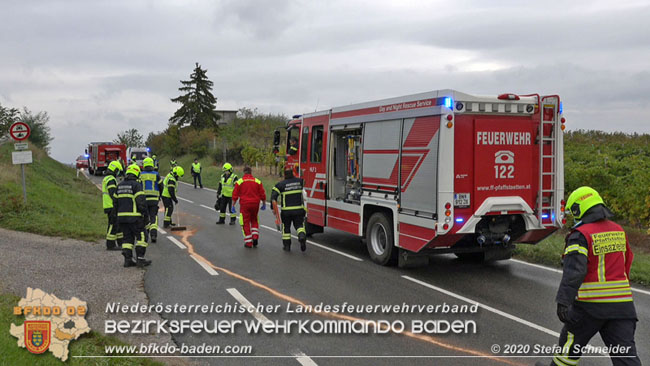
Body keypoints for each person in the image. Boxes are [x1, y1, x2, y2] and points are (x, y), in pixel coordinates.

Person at [541, 187, 639, 366]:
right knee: (626, 358)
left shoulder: (580, 235)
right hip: (622, 308)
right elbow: (627, 263)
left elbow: (575, 272)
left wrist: (563, 301)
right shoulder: (618, 230)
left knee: (567, 352)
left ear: (579, 209)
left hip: (588, 309)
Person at [115, 165, 150, 267]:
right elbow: (141, 202)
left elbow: (115, 202)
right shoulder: (136, 185)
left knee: (127, 239)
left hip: (122, 218)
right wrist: (145, 215)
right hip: (134, 217)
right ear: (136, 173)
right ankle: (140, 259)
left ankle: (128, 260)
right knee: (142, 237)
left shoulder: (119, 185)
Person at [271, 169, 307, 252]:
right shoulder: (300, 181)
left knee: (286, 228)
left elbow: (273, 197)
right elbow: (304, 183)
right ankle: (301, 236)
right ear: (293, 174)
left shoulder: (280, 185)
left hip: (286, 211)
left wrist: (273, 209)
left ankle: (287, 246)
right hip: (298, 210)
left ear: (285, 175)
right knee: (299, 226)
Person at [232, 166, 266, 248]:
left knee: (245, 222)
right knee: (254, 220)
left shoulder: (240, 181)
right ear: (251, 172)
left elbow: (235, 194)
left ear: (244, 172)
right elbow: (262, 193)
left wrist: (233, 205)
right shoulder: (257, 181)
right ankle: (255, 237)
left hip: (245, 204)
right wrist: (264, 203)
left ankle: (249, 242)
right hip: (255, 204)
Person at [140, 157, 162, 243]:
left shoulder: (141, 174)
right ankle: (153, 235)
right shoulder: (156, 174)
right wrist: (160, 195)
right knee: (153, 216)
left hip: (144, 199)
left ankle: (145, 235)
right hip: (154, 199)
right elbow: (161, 186)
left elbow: (137, 186)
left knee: (145, 217)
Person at [102, 160, 123, 251]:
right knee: (113, 224)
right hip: (111, 206)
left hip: (108, 205)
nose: (118, 173)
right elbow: (113, 193)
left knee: (117, 224)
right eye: (118, 170)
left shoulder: (107, 178)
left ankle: (120, 242)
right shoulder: (111, 179)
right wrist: (118, 202)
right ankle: (110, 244)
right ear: (115, 169)